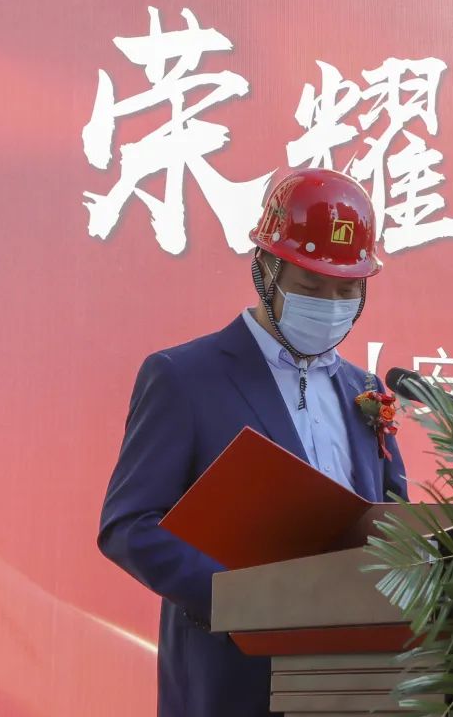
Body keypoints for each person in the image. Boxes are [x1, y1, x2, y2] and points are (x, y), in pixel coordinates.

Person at [97, 167, 407, 717]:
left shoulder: (366, 389)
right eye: (310, 287)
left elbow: (392, 515)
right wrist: (247, 600)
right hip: (229, 680)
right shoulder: (185, 377)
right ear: (264, 268)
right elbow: (129, 525)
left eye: (345, 290)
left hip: (354, 684)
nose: (329, 303)